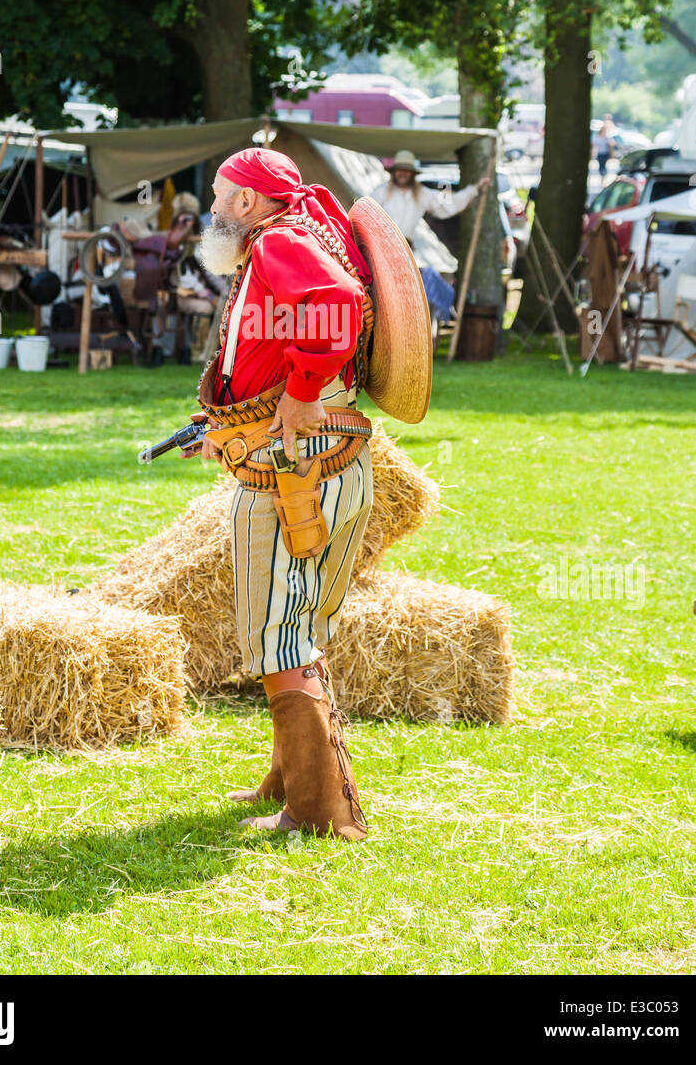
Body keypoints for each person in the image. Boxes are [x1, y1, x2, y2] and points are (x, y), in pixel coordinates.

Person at [185, 146, 374, 841]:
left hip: (297, 463)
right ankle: (289, 777)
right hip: (319, 458)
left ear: (245, 201)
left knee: (279, 633)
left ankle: (319, 812)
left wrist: (296, 397)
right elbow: (276, 341)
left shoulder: (281, 241)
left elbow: (332, 305)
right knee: (298, 625)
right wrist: (230, 421)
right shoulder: (300, 235)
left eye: (216, 194)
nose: (210, 207)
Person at [370, 149, 490, 323]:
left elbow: (448, 205)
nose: (402, 173)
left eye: (406, 170)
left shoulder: (422, 194)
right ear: (394, 171)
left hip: (405, 251)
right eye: (399, 169)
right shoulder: (381, 192)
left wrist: (475, 190)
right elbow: (364, 213)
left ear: (412, 173)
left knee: (407, 294)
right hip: (380, 250)